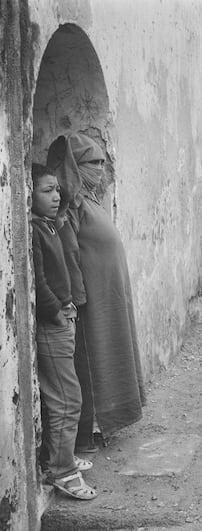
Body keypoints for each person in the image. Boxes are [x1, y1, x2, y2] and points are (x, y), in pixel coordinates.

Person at [48, 133, 146, 452]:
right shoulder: (71, 203)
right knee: (91, 362)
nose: (100, 169)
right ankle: (86, 433)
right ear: (76, 166)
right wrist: (77, 299)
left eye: (103, 163)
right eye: (93, 163)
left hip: (109, 295)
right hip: (91, 301)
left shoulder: (90, 198)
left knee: (111, 354)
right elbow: (69, 252)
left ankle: (110, 420)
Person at [31, 163, 97, 500]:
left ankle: (61, 456)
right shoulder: (34, 230)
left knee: (67, 397)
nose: (56, 196)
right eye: (47, 191)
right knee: (67, 400)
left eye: (57, 189)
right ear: (29, 193)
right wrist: (56, 312)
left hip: (63, 320)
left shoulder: (49, 226)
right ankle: (62, 473)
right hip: (52, 326)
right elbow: (38, 282)